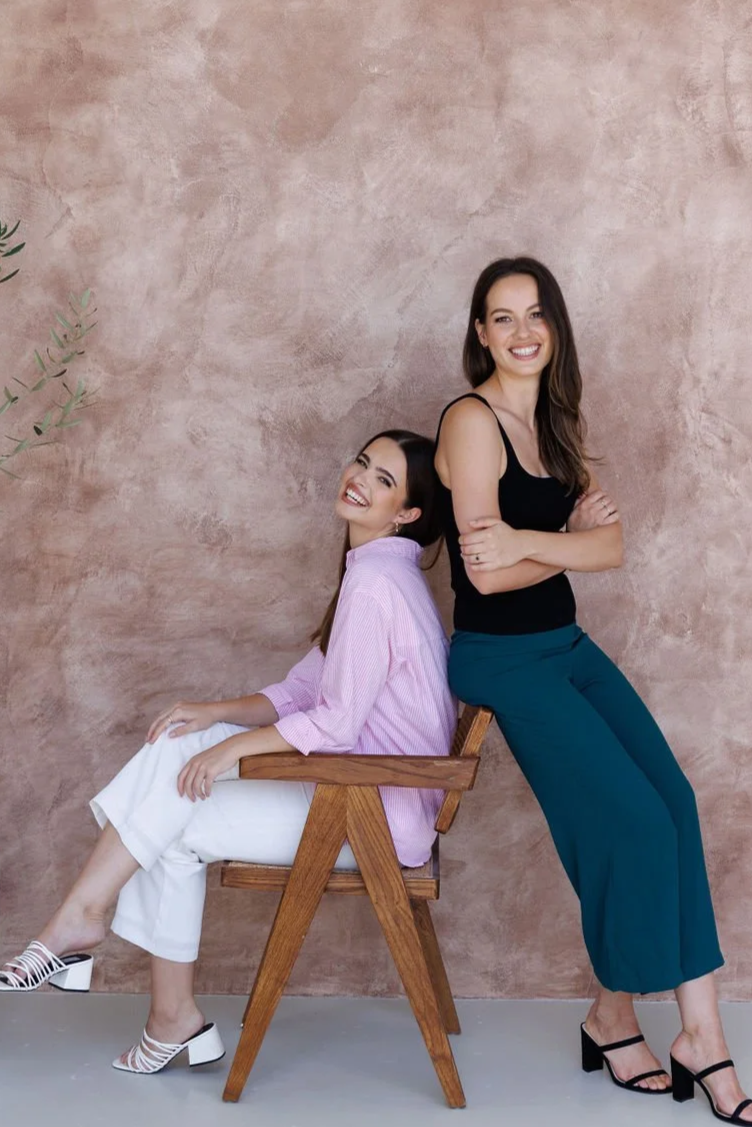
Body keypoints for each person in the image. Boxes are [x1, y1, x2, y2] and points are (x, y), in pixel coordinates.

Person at [1, 429, 456, 1077]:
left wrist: (232, 751)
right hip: (361, 794)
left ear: (407, 512)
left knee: (170, 820)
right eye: (362, 462)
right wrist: (214, 714)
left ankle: (117, 962)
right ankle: (107, 951)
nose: (359, 478)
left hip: (371, 813)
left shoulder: (377, 584)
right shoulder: (379, 572)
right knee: (179, 755)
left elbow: (335, 721)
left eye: (383, 480)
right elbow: (302, 691)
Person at [434, 257, 752, 1123]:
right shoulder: (470, 420)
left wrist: (536, 543)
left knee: (672, 802)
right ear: (480, 333)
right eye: (503, 317)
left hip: (565, 645)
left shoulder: (557, 423)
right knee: (634, 822)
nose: (522, 332)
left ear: (556, 327)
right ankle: (673, 1033)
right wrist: (567, 543)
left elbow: (610, 549)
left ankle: (658, 1026)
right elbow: (486, 577)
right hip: (501, 656)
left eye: (536, 314)